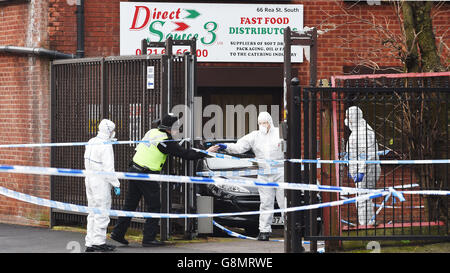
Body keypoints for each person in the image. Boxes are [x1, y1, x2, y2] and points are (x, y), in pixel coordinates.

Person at [111, 113, 216, 247]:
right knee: (154, 206)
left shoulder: (152, 131)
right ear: (169, 128)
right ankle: (149, 239)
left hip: (134, 170)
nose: (178, 131)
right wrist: (206, 152)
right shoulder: (165, 140)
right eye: (176, 128)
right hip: (146, 174)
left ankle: (118, 233)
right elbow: (185, 154)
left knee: (130, 204)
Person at [212, 111, 285, 241]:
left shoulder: (279, 133)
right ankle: (264, 231)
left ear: (270, 122)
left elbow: (290, 147)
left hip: (280, 172)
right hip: (264, 174)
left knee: (283, 202)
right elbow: (239, 147)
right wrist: (226, 146)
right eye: (260, 123)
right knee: (266, 203)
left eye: (265, 122)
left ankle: (290, 231)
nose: (263, 125)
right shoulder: (255, 136)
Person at [84, 119, 121, 252]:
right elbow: (108, 169)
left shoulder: (91, 141)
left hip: (89, 179)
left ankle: (90, 242)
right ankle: (99, 242)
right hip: (100, 182)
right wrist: (116, 184)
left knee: (92, 212)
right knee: (102, 212)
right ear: (110, 131)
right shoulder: (106, 145)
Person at [345, 106, 381, 226]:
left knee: (362, 198)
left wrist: (361, 171)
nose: (347, 120)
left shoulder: (362, 132)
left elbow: (367, 155)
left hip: (367, 171)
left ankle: (366, 224)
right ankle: (368, 222)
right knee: (363, 197)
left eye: (348, 117)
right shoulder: (358, 131)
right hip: (363, 170)